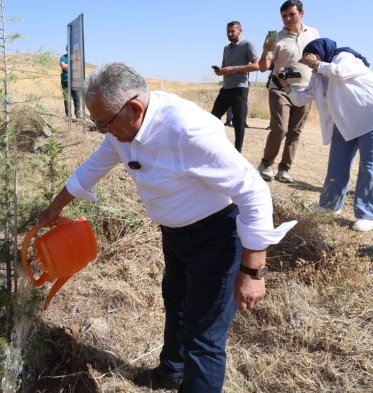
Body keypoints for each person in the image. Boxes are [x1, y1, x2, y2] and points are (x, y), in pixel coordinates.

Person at [36, 62, 296, 392]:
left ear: (133, 108)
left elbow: (254, 191)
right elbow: (90, 169)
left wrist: (253, 272)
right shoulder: (121, 129)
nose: (102, 132)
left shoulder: (186, 130)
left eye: (104, 124)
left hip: (217, 239)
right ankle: (171, 371)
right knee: (177, 305)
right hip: (175, 236)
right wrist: (52, 209)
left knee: (204, 338)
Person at [286, 38, 373, 232]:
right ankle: (328, 206)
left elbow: (340, 72)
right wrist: (286, 85)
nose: (309, 60)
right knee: (337, 165)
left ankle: (367, 214)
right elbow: (301, 99)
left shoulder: (345, 57)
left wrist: (316, 64)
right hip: (345, 122)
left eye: (311, 55)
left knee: (370, 168)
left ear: (321, 51)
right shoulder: (318, 74)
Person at [257, 0, 320, 183]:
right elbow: (263, 67)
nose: (288, 19)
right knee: (280, 128)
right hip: (280, 89)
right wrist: (264, 51)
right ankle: (266, 164)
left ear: (302, 13)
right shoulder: (277, 37)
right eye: (284, 16)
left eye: (291, 15)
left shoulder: (314, 33)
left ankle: (284, 169)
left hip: (306, 90)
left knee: (295, 131)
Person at [211, 21, 259, 152]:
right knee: (212, 119)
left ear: (240, 31)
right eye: (228, 32)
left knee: (239, 124)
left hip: (240, 88)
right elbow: (225, 67)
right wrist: (220, 71)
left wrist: (233, 69)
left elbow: (257, 66)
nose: (230, 34)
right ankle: (214, 147)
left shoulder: (247, 44)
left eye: (233, 31)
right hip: (226, 88)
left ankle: (238, 153)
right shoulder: (226, 48)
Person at [60, 49, 81, 119]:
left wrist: (68, 66)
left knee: (77, 98)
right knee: (67, 98)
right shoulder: (63, 57)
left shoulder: (77, 58)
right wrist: (73, 66)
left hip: (76, 80)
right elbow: (63, 66)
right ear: (66, 49)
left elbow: (78, 67)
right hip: (66, 81)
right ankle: (68, 115)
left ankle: (78, 115)